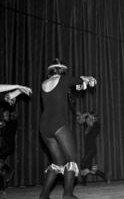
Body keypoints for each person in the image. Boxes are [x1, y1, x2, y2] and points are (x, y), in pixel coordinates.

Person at [39, 58, 96, 199]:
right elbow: (81, 81)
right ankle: (68, 194)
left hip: (44, 127)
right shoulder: (64, 80)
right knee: (71, 159)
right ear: (62, 71)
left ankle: (44, 196)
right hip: (58, 124)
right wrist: (91, 79)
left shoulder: (44, 83)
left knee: (57, 162)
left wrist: (84, 82)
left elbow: (77, 85)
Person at [0, 84, 31, 197]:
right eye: (5, 114)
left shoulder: (11, 123)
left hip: (7, 147)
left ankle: (7, 172)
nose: (6, 115)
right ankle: (7, 173)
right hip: (4, 146)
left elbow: (8, 96)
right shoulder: (6, 121)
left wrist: (18, 90)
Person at [77, 111, 109, 185]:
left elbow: (91, 123)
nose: (88, 119)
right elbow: (79, 121)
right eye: (88, 118)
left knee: (83, 164)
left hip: (92, 149)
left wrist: (87, 114)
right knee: (88, 167)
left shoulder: (97, 125)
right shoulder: (87, 124)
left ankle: (84, 182)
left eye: (93, 117)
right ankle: (104, 175)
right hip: (87, 149)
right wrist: (80, 116)